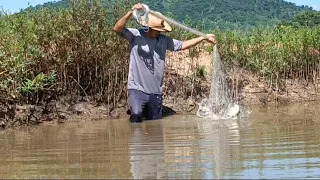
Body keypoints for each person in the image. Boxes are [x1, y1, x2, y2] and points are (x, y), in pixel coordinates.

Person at [113, 3, 217, 123]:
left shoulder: (163, 40)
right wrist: (130, 13)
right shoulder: (136, 35)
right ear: (149, 27)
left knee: (155, 124)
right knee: (136, 116)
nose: (159, 32)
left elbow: (183, 45)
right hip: (137, 88)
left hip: (156, 91)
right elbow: (117, 28)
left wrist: (202, 38)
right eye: (157, 30)